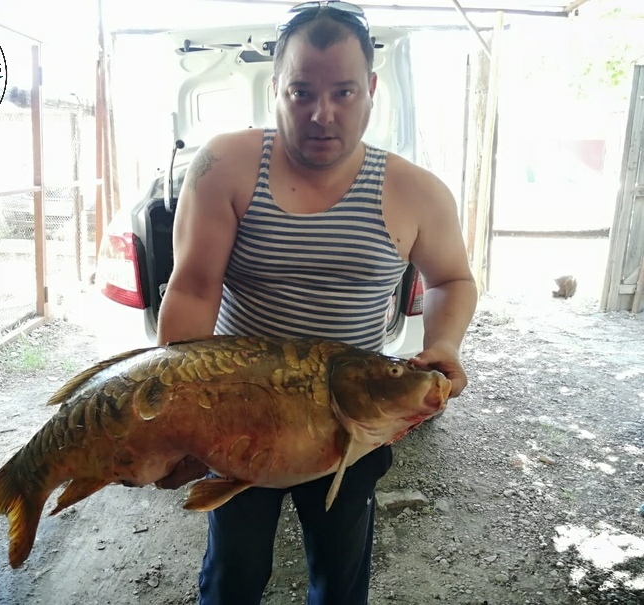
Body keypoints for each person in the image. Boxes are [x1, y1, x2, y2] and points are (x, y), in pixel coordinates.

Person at [155, 1, 478, 603]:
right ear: (276, 88)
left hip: (350, 421)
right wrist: (177, 416)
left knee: (339, 576)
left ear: (371, 90)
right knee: (233, 575)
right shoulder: (226, 166)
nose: (322, 114)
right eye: (301, 92)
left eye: (343, 93)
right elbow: (194, 287)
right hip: (240, 413)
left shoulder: (416, 192)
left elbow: (451, 280)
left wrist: (443, 344)